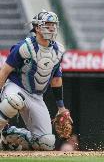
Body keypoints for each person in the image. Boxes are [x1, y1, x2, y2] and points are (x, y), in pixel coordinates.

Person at [0, 10, 71, 150]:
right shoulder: (24, 47)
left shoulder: (58, 50)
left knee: (46, 143)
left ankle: (10, 137)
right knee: (14, 100)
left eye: (54, 24)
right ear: (37, 28)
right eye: (48, 24)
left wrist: (61, 107)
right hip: (16, 87)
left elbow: (56, 80)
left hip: (37, 97)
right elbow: (4, 72)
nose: (52, 28)